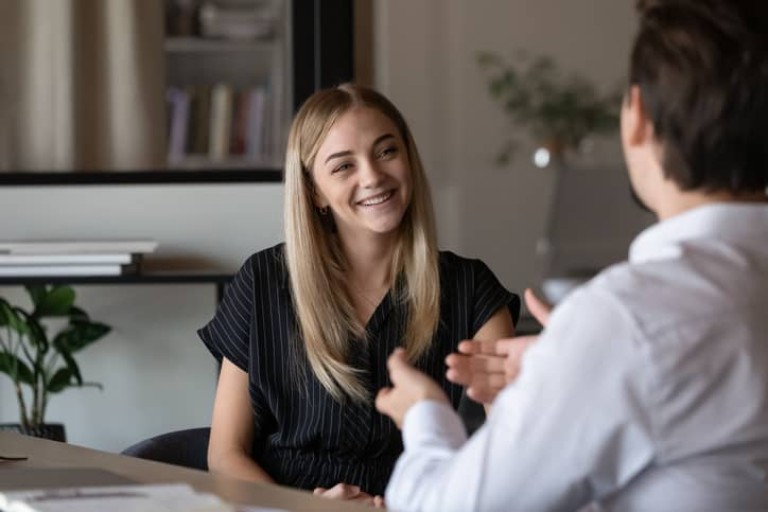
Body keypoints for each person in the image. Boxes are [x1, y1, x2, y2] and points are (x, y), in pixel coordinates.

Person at [376, 0, 768, 510]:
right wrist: (567, 369)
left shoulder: (629, 322)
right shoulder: (630, 330)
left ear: (638, 118)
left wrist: (426, 416)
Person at [197, 83, 519, 504]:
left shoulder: (471, 289)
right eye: (343, 166)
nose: (372, 176)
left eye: (386, 151)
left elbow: (515, 451)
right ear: (315, 191)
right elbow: (225, 455)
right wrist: (305, 509)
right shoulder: (264, 281)